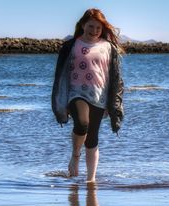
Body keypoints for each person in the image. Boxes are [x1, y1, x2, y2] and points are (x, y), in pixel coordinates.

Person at [52, 8, 124, 182]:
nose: (94, 30)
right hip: (76, 93)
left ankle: (91, 180)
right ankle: (75, 156)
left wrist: (113, 103)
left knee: (92, 138)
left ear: (103, 29)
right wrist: (60, 100)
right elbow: (60, 74)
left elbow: (115, 77)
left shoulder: (108, 47)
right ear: (83, 25)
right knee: (82, 123)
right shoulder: (72, 45)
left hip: (99, 96)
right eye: (91, 26)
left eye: (98, 28)